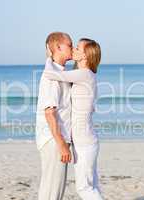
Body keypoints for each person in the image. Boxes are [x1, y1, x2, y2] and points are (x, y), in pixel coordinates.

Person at [44, 38, 103, 200]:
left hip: (84, 142)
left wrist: (50, 56)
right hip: (86, 140)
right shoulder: (85, 75)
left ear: (85, 56)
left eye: (77, 48)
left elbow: (51, 74)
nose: (73, 50)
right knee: (92, 186)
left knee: (84, 188)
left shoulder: (83, 74)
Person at [34, 32, 73, 200]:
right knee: (52, 189)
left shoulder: (59, 72)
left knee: (54, 187)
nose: (73, 48)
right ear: (58, 47)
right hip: (53, 140)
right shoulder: (52, 76)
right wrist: (62, 144)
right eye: (70, 45)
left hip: (57, 138)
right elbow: (49, 112)